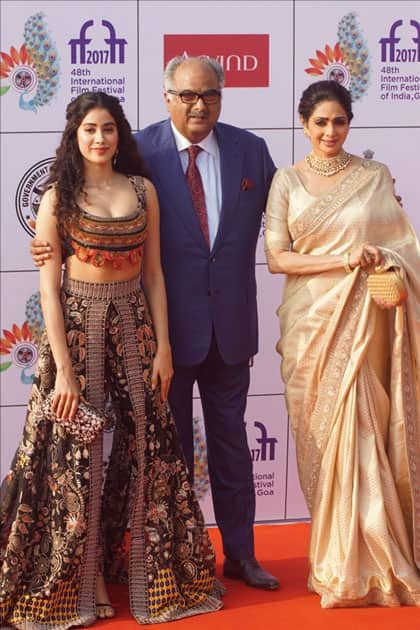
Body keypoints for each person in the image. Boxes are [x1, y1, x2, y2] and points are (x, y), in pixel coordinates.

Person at [29, 56, 279, 591]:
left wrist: (355, 214)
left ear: (222, 95)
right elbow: (90, 204)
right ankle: (171, 559)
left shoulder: (250, 149)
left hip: (230, 330)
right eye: (187, 94)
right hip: (155, 336)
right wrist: (48, 243)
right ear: (167, 96)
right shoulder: (141, 151)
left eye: (209, 94)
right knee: (167, 456)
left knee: (233, 447)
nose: (199, 104)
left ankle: (241, 554)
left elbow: (289, 210)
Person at [0, 91, 223, 629]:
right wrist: (66, 371)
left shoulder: (143, 190)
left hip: (134, 324)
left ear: (120, 135)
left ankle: (151, 574)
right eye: (89, 130)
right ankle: (84, 579)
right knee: (75, 457)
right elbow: (49, 291)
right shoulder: (57, 197)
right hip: (75, 329)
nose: (100, 139)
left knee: (147, 444)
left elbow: (154, 275)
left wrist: (163, 347)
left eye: (108, 129)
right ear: (74, 137)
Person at [264, 79, 420, 607]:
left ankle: (372, 565)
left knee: (365, 431)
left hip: (365, 325)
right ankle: (336, 560)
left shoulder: (374, 176)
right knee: (323, 440)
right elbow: (278, 258)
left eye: (339, 121)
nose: (331, 131)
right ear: (304, 125)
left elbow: (404, 246)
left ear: (350, 122)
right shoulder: (286, 180)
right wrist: (345, 258)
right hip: (311, 324)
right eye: (320, 122)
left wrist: (387, 260)